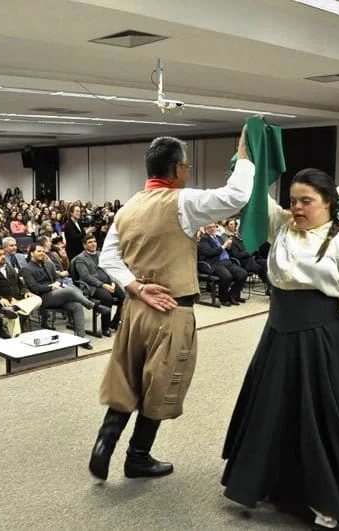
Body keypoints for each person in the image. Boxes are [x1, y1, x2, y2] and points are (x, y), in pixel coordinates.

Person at [221, 170, 339, 528]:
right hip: (277, 337)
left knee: (320, 421)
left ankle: (329, 498)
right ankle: (279, 482)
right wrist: (247, 155)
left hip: (322, 343)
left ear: (328, 203)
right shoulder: (282, 228)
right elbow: (251, 195)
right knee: (278, 413)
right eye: (293, 201)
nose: (297, 208)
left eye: (307, 201)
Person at [89, 128, 254, 482]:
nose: (189, 172)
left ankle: (104, 444)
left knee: (127, 376)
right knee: (160, 383)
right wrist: (244, 156)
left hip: (136, 310)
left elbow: (108, 258)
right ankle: (138, 457)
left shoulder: (128, 206)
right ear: (177, 169)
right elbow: (237, 195)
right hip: (172, 310)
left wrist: (137, 287)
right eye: (188, 167)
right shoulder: (183, 202)